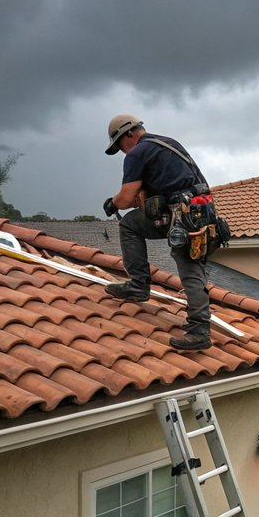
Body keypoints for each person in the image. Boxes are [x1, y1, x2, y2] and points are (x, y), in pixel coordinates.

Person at [102, 113, 212, 351]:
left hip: (181, 213)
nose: (122, 152)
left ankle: (140, 286)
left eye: (120, 145)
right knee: (192, 265)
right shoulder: (169, 144)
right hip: (202, 212)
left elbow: (126, 197)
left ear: (129, 134)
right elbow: (146, 196)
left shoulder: (138, 153)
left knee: (129, 225)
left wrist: (113, 203)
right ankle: (198, 328)